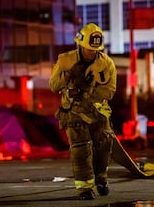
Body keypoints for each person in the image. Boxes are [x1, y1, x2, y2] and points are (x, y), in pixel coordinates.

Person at [49, 23, 117, 200]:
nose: (91, 52)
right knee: (80, 149)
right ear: (80, 44)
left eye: (94, 49)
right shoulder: (65, 60)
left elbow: (110, 91)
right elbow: (54, 85)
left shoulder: (107, 64)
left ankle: (101, 179)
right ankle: (84, 188)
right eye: (88, 48)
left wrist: (88, 91)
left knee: (104, 145)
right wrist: (69, 75)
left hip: (97, 112)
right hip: (73, 111)